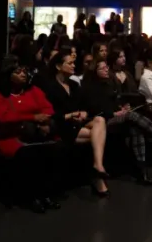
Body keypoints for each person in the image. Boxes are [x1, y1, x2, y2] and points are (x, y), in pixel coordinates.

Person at [82, 60, 152, 186]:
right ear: (95, 72)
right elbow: (95, 108)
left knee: (136, 128)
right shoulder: (90, 88)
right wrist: (114, 113)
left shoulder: (108, 84)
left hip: (116, 116)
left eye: (107, 67)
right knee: (132, 117)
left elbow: (113, 103)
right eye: (102, 68)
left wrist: (121, 108)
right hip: (102, 121)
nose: (107, 69)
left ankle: (142, 171)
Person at [0, 56, 64, 212]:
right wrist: (32, 118)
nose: (23, 74)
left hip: (35, 133)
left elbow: (48, 109)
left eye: (25, 71)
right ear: (7, 74)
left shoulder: (33, 90)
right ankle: (32, 196)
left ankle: (45, 194)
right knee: (29, 154)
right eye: (18, 71)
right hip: (9, 136)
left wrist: (43, 122)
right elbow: (2, 118)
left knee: (56, 148)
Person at [45, 52, 110, 197]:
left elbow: (85, 106)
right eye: (70, 63)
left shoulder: (74, 85)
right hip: (62, 125)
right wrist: (71, 115)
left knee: (100, 121)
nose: (74, 65)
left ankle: (97, 166)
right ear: (58, 66)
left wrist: (84, 113)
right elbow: (51, 114)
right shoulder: (50, 86)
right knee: (96, 138)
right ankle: (97, 176)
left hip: (77, 124)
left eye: (74, 63)